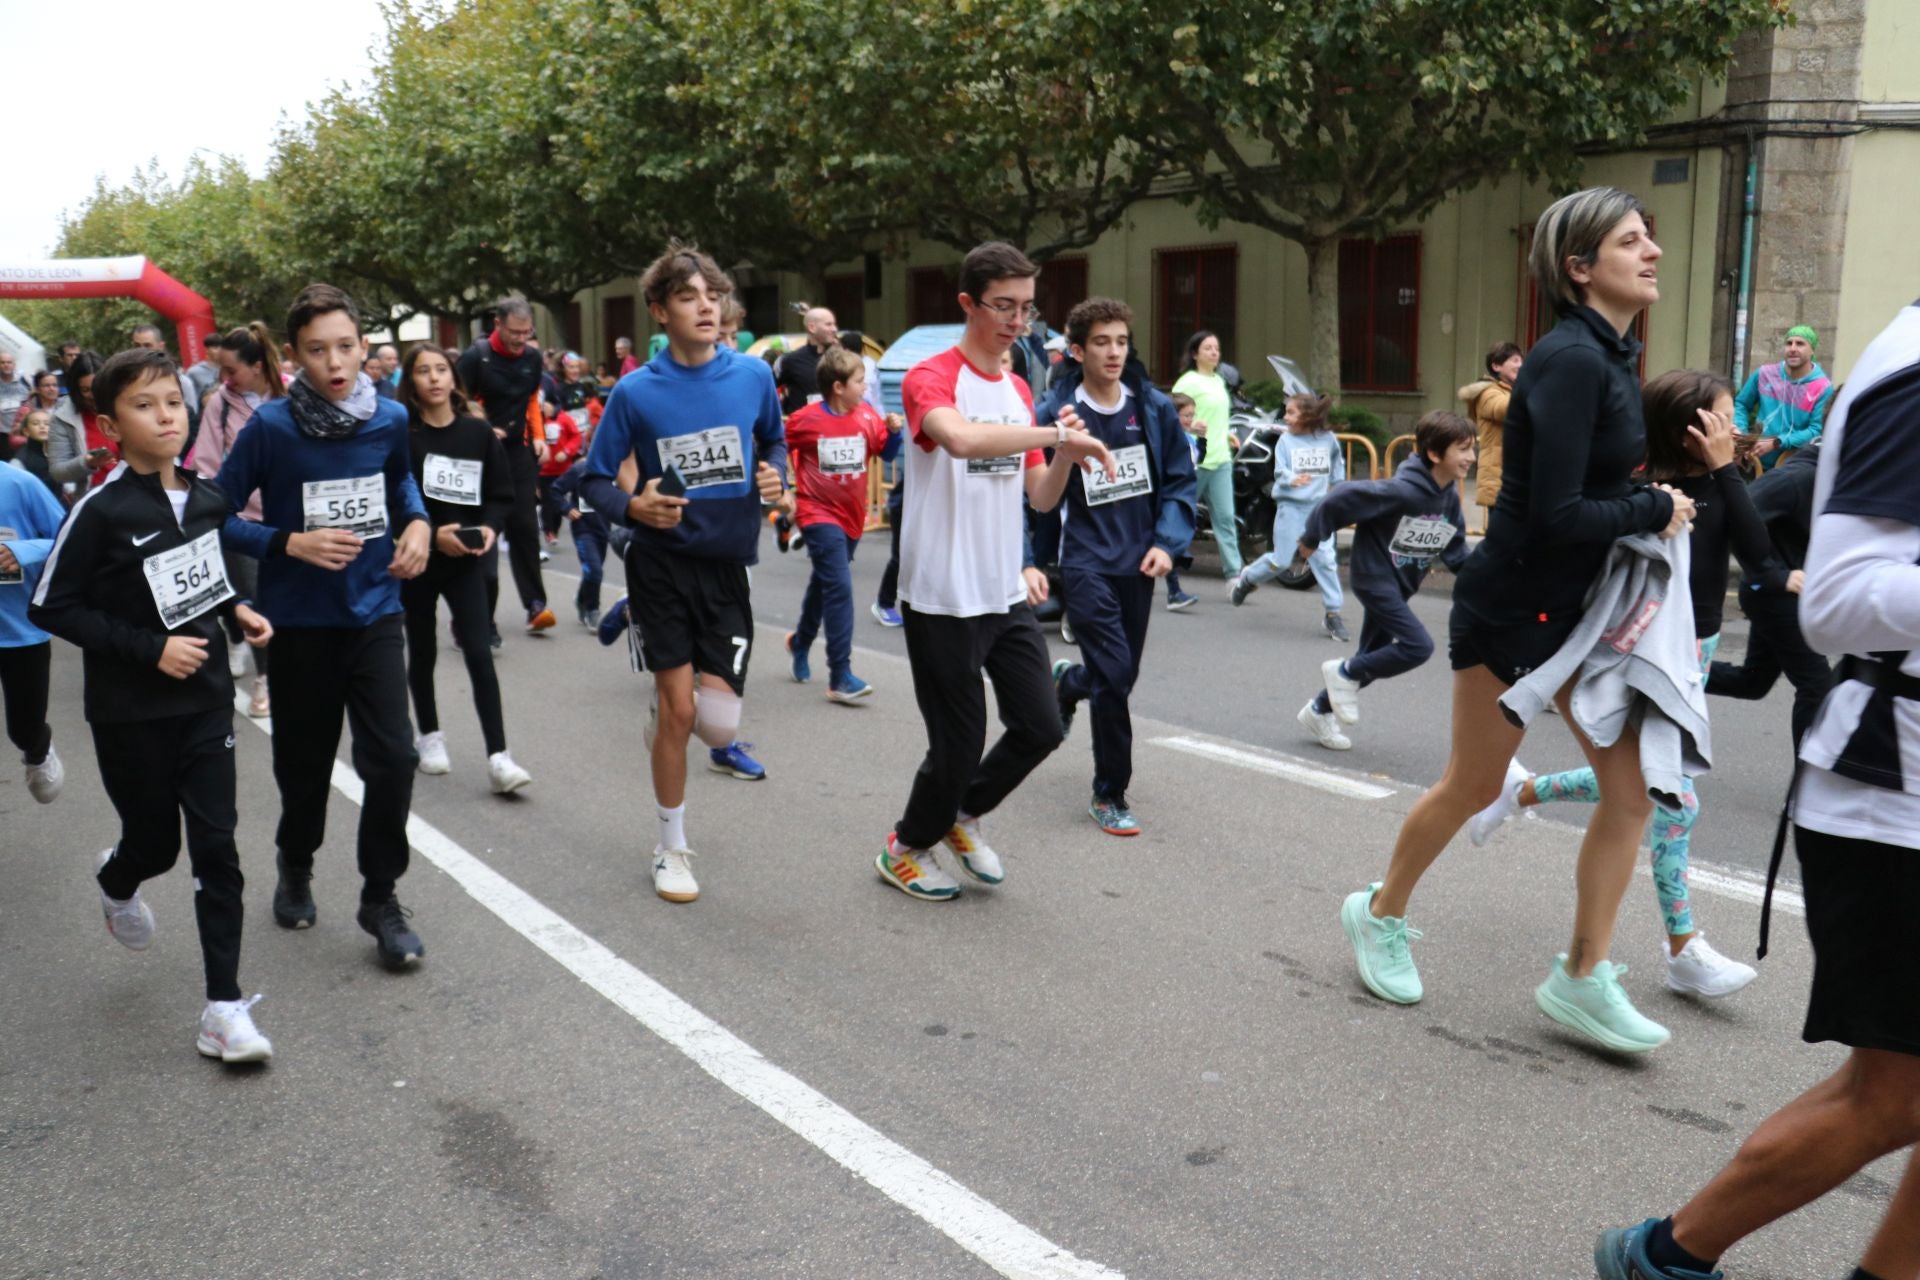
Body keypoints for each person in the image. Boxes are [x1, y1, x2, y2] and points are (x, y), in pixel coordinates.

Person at [1593, 299, 1920, 1280]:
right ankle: (1664, 1253)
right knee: (1893, 1096)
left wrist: (1740, 504)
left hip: (1730, 672)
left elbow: (1771, 563)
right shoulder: (1904, 375)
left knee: (1658, 798)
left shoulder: (1738, 481)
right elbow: (1826, 593)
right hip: (1880, 783)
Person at [1341, 187, 1694, 1054]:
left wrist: (1666, 496)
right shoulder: (1572, 360)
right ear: (1579, 267)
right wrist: (1653, 509)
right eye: (1630, 241)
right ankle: (1379, 912)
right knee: (1470, 784)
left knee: (1632, 794)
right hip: (1512, 611)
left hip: (1576, 613)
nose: (1652, 251)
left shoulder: (1614, 354)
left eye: (1650, 238)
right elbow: (1554, 515)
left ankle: (1580, 978)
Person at [1472, 370, 1782, 1000]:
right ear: (1691, 429)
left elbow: (1759, 556)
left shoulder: (1723, 484)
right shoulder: (1649, 492)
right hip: (1645, 652)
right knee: (1673, 797)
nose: (1732, 425)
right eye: (1721, 416)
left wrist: (1726, 468)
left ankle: (1522, 790)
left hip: (1697, 647)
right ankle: (1683, 948)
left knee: (1640, 785)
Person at [29, 347, 276, 1062]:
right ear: (109, 427)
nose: (166, 414)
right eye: (146, 404)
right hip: (130, 712)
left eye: (173, 399)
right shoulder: (100, 511)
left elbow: (203, 580)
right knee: (154, 846)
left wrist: (239, 612)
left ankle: (224, 1009)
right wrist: (149, 648)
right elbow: (52, 606)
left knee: (217, 848)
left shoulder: (205, 497)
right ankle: (117, 880)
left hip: (204, 704)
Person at [876, 241, 1114, 901]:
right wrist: (1058, 437)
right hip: (942, 595)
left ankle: (959, 815)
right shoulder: (933, 376)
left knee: (1041, 726)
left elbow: (1037, 495)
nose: (1016, 321)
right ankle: (904, 845)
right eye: (1003, 306)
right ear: (967, 304)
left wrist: (1064, 455)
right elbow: (960, 439)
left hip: (1002, 590)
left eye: (1028, 308)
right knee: (957, 743)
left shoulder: (1016, 387)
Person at [214, 282, 433, 971]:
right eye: (317, 351)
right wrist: (288, 543)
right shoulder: (272, 428)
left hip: (376, 612)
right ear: (295, 358)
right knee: (304, 770)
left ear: (364, 347)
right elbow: (214, 514)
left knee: (393, 758)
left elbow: (400, 485)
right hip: (301, 622)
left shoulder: (390, 418)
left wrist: (420, 522)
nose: (335, 363)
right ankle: (295, 861)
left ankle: (380, 897)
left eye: (345, 347)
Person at [580, 243, 791, 904]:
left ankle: (671, 717)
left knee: (720, 726)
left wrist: (774, 476)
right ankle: (671, 845)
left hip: (728, 567)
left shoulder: (752, 378)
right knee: (679, 711)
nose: (706, 307)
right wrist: (633, 504)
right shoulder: (636, 392)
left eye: (712, 296)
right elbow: (589, 478)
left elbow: (775, 442)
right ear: (659, 310)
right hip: (661, 567)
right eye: (688, 297)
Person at [1036, 297, 1196, 836]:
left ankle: (1069, 680)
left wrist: (1168, 544)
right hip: (1083, 562)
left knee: (1115, 675)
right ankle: (1110, 793)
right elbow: (1031, 493)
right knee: (1116, 677)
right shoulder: (1057, 414)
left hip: (1140, 563)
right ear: (1077, 350)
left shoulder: (1150, 407)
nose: (1113, 352)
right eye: (1101, 342)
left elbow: (1179, 482)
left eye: (1122, 341)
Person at [1292, 411, 1474, 752]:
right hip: (1374, 578)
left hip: (1401, 582)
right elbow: (1338, 498)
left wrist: (1492, 578)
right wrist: (1312, 537)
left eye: (1472, 449)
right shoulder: (1401, 491)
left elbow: (1456, 549)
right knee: (1418, 646)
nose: (1471, 458)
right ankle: (1342, 672)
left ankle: (1318, 710)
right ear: (1435, 454)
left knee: (1373, 657)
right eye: (1463, 449)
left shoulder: (1448, 495)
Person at [398, 342, 530, 793]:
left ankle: (499, 756)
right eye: (423, 371)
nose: (434, 378)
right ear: (410, 383)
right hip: (419, 559)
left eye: (441, 369)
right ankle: (430, 737)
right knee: (423, 648)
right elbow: (393, 499)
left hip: (467, 560)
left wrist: (490, 528)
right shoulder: (404, 436)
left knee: (478, 651)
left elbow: (500, 493)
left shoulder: (477, 433)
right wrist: (431, 535)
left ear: (454, 378)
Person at [784, 345, 901, 702]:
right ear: (838, 387)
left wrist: (893, 431)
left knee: (824, 584)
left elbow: (887, 453)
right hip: (817, 513)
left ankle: (800, 641)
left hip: (852, 517)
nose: (866, 388)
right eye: (860, 381)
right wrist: (785, 487)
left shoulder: (866, 415)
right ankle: (840, 675)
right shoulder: (806, 420)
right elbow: (775, 445)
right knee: (839, 587)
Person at [1704, 440, 1834, 755]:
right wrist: (1774, 574)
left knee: (1752, 684)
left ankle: (1668, 673)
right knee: (1818, 687)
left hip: (1785, 593)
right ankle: (1802, 796)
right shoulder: (1799, 477)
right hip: (1774, 595)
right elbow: (1737, 515)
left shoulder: (1841, 472)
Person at [192, 323, 285, 720]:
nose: (224, 379)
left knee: (289, 601)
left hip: (293, 521)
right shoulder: (220, 403)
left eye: (231, 371)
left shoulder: (295, 392)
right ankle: (265, 677)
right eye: (221, 371)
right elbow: (208, 464)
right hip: (244, 523)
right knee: (254, 600)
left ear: (258, 366)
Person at [455, 296, 556, 634]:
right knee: (484, 535)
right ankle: (476, 618)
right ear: (497, 324)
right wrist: (482, 428)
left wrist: (538, 435)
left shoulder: (531, 358)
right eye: (515, 332)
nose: (520, 340)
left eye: (527, 333)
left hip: (517, 454)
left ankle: (535, 605)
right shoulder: (475, 358)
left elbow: (530, 400)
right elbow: (454, 404)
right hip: (479, 455)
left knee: (526, 529)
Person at [1231, 393, 1349, 639]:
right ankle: (1248, 579)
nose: (1285, 417)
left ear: (1307, 416)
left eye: (1291, 412)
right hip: (1290, 508)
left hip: (1318, 509)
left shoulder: (1328, 440)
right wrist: (1291, 479)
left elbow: (1338, 468)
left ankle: (1333, 613)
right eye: (1286, 412)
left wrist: (1339, 491)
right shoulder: (1285, 440)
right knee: (1281, 561)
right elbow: (1279, 470)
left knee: (1325, 559)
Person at [0, 452, 70, 805]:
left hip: (19, 632)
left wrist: (21, 550)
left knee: (23, 728)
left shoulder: (18, 484)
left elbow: (68, 536)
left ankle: (37, 751)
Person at [1172, 330, 1241, 586]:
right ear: (1194, 353)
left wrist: (1227, 436)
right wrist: (1190, 428)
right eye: (1208, 348)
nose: (1214, 352)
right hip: (1194, 461)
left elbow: (1218, 417)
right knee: (1179, 517)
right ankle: (1162, 563)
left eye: (1217, 348)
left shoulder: (1219, 381)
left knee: (1225, 519)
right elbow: (1173, 417)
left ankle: (1235, 575)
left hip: (1221, 459)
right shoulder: (1187, 382)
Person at [1733, 324, 1834, 471]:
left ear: (1812, 350)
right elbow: (1741, 404)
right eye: (1789, 343)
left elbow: (1816, 430)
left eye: (1800, 344)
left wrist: (1778, 442)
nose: (1793, 348)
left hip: (1792, 468)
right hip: (1752, 462)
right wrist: (1742, 436)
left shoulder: (1823, 387)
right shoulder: (1764, 374)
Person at [1459, 341, 1522, 520]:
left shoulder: (1513, 391)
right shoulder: (1488, 393)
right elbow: (1506, 409)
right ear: (1496, 365)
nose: (1520, 365)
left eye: (1521, 361)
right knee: (1503, 540)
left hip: (1514, 477)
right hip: (1498, 478)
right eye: (1515, 360)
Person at [548, 458, 609, 627]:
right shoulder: (580, 469)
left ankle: (582, 598)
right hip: (583, 528)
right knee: (595, 570)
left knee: (593, 571)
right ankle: (593, 610)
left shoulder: (614, 469)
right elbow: (555, 490)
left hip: (603, 528)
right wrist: (567, 509)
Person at [47, 352, 117, 491]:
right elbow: (57, 472)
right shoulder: (63, 418)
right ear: (76, 390)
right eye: (86, 390)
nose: (93, 395)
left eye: (98, 387)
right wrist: (87, 462)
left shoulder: (124, 406)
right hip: (95, 499)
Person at [1161, 392, 1202, 611]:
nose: (1189, 420)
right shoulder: (1168, 438)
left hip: (1185, 494)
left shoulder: (1188, 437)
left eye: (1192, 415)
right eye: (1185, 416)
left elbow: (1197, 460)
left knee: (1167, 545)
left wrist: (1202, 439)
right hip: (1170, 497)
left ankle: (1173, 591)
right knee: (1168, 544)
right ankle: (1174, 592)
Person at [775, 306, 840, 416]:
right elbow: (769, 389)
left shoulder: (841, 358)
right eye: (828, 324)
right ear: (812, 328)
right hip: (803, 428)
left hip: (835, 427)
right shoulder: (791, 360)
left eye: (834, 324)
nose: (834, 329)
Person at [14, 410, 61, 499]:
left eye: (47, 424)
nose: (42, 426)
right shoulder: (20, 460)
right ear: (26, 431)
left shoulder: (59, 452)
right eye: (35, 424)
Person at [14, 369, 62, 434]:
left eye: (55, 385)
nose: (52, 389)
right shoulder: (27, 410)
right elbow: (16, 435)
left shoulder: (66, 406)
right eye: (47, 386)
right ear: (37, 389)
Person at [0, 350, 31, 437]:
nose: (6, 365)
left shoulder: (25, 381)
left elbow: (32, 402)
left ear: (14, 365)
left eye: (9, 362)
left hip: (23, 432)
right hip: (2, 434)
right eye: (2, 362)